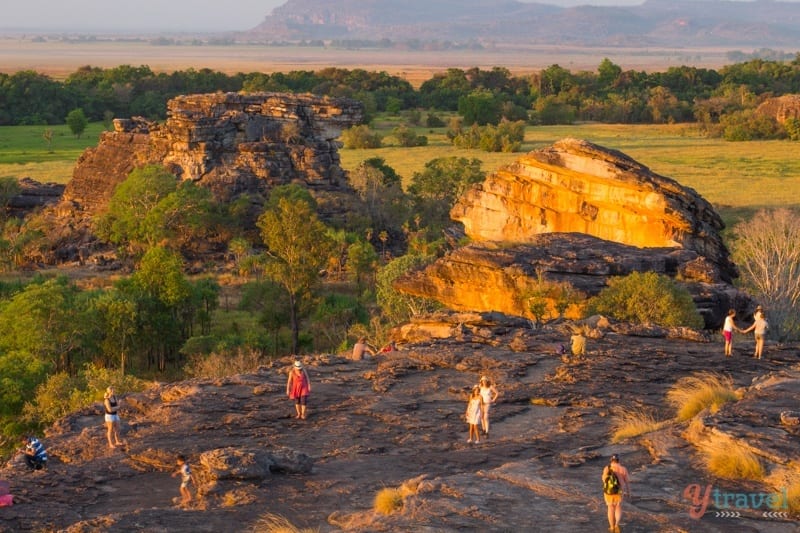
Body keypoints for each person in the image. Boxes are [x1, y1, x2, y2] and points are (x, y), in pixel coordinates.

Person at [602, 454, 630, 533]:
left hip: (608, 491)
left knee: (610, 507)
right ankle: (617, 524)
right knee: (618, 506)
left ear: (611, 460)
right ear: (619, 460)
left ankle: (611, 527)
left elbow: (604, 480)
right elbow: (627, 482)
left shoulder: (606, 468)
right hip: (619, 491)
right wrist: (628, 492)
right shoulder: (623, 469)